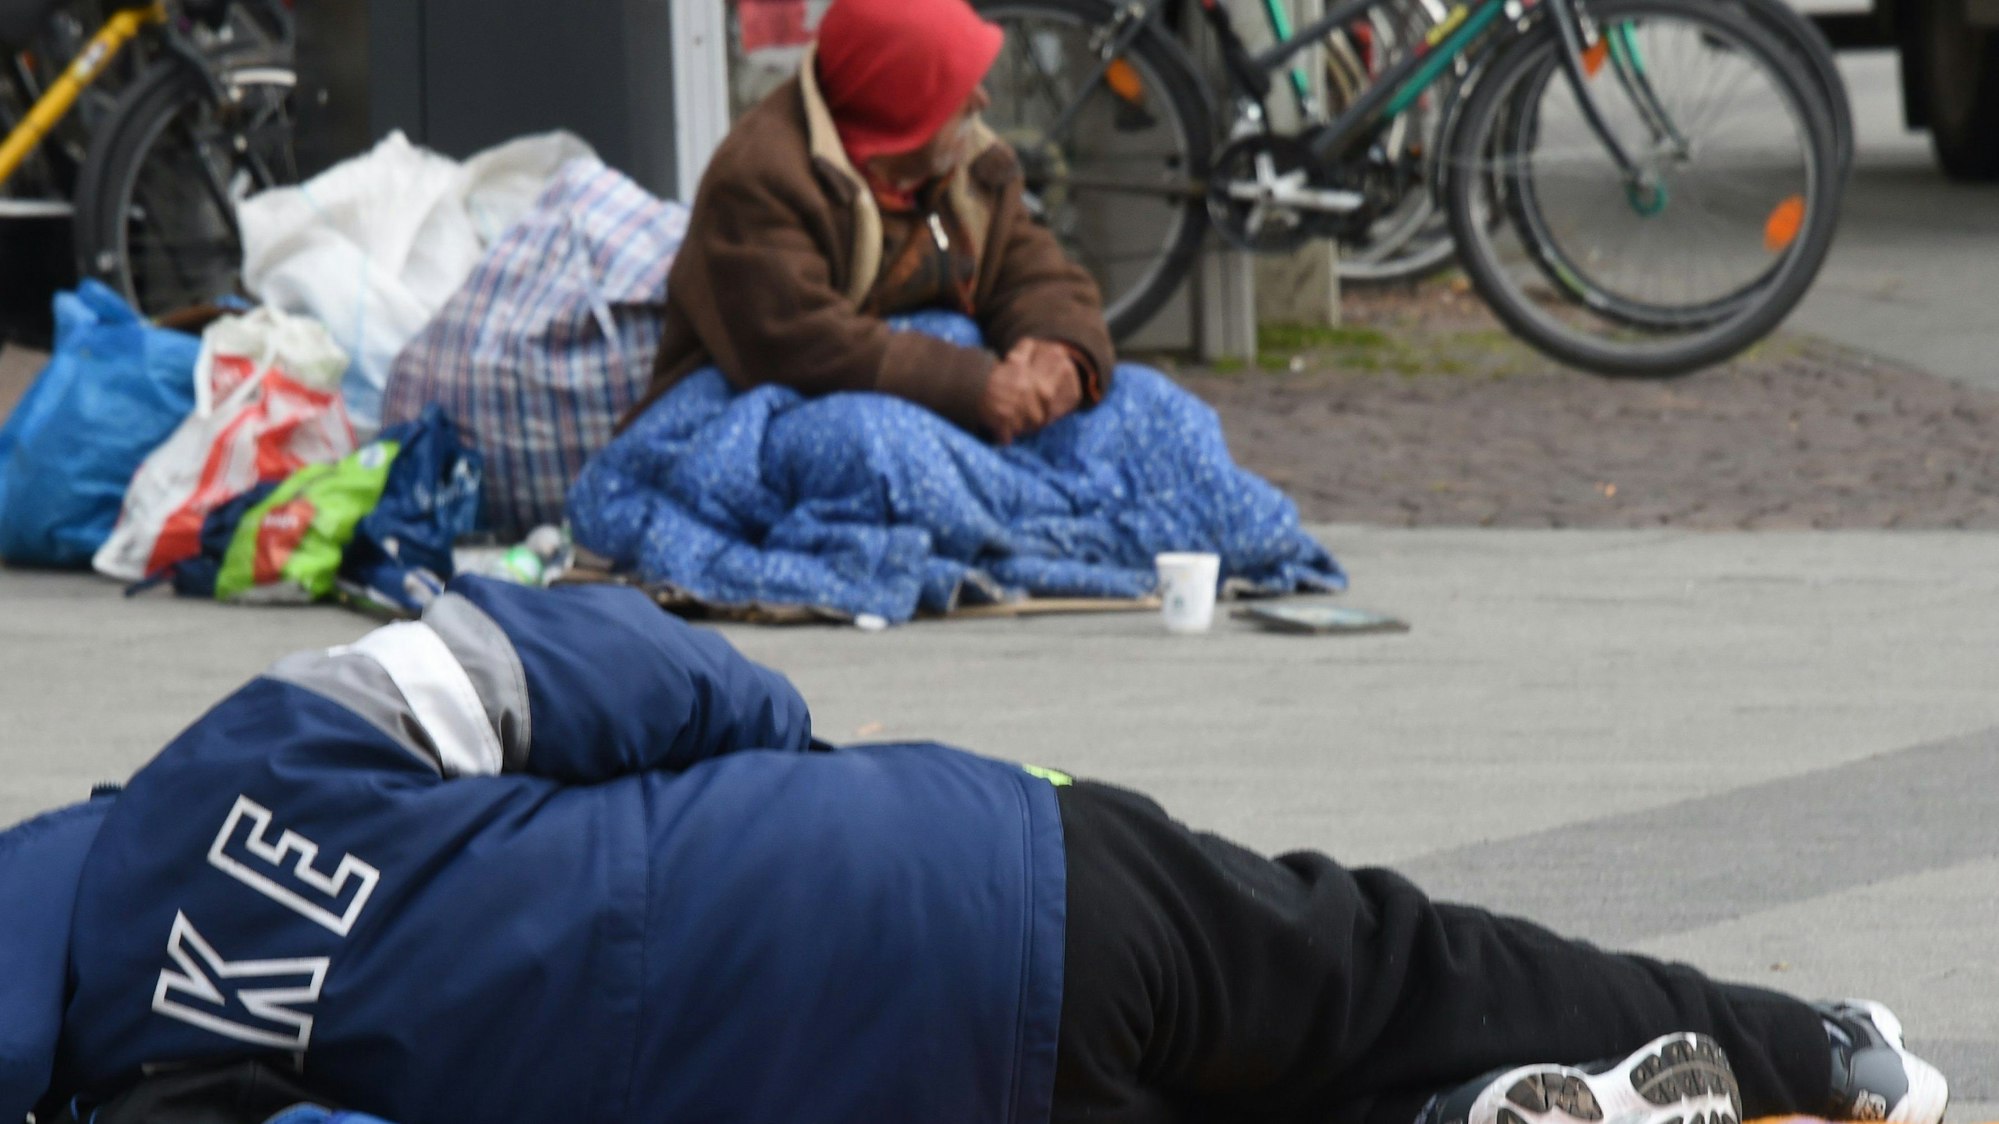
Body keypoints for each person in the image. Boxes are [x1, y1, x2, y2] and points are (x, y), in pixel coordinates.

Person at [1, 578, 1949, 1124]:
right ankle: (1812, 1047)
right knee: (1384, 969)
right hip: (952, 870)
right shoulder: (246, 764)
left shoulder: (176, 1091)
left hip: (888, 1089)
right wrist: (795, 772)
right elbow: (600, 656)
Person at [623, 0, 1115, 446]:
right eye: (956, 92)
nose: (981, 102)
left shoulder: (966, 161)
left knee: (1138, 410)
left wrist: (1061, 349)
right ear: (900, 116)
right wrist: (973, 386)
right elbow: (798, 344)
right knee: (879, 448)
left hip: (928, 399)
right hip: (758, 414)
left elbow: (1026, 263)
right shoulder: (759, 180)